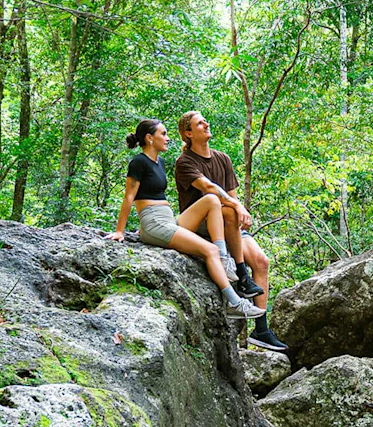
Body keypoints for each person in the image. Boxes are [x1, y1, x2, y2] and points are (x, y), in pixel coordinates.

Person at [107, 118, 264, 320]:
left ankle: (225, 259)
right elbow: (129, 197)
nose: (168, 138)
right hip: (154, 222)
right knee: (210, 250)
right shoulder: (138, 162)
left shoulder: (159, 162)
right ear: (149, 138)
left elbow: (154, 194)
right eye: (163, 134)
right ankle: (234, 303)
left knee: (211, 200)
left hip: (168, 220)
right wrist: (121, 231)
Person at [174, 111, 288, 352]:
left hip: (227, 223)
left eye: (206, 120)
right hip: (203, 225)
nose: (206, 124)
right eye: (199, 123)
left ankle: (261, 330)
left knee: (261, 261)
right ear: (188, 133)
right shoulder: (185, 162)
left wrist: (239, 210)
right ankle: (240, 273)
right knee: (227, 211)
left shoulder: (222, 159)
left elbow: (232, 198)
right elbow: (208, 189)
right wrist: (237, 207)